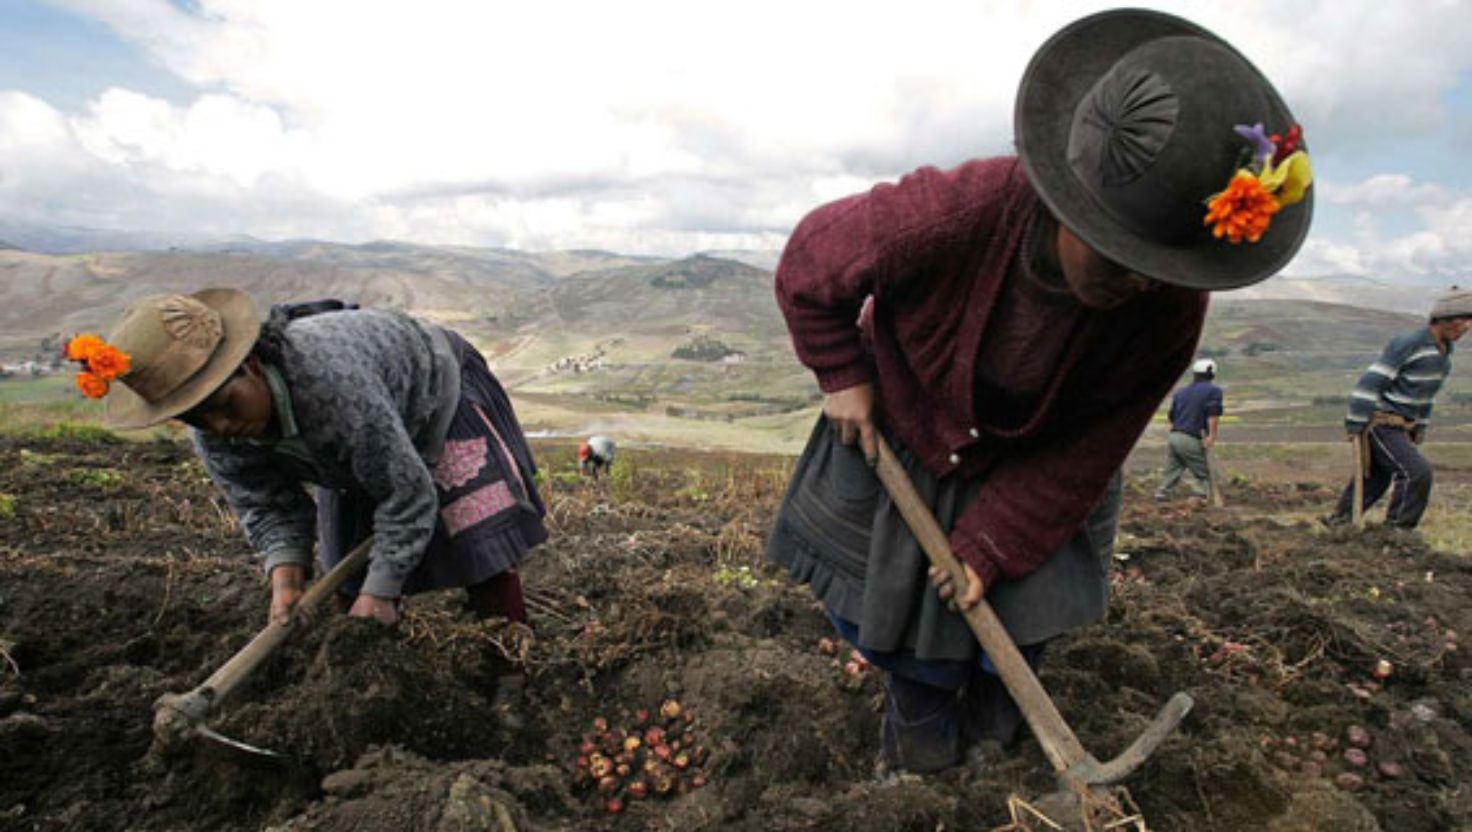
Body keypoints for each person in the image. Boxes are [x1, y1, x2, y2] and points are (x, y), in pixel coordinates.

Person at [766, 9, 1312, 774]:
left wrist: (992, 546)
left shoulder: (1168, 308)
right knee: (917, 646)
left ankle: (1003, 757)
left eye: (1163, 269)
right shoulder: (954, 213)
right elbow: (807, 263)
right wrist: (842, 373)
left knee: (1015, 635)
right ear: (1067, 207)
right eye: (1121, 260)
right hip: (911, 434)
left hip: (1045, 470)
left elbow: (1091, 448)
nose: (1142, 285)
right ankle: (917, 767)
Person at [68, 290, 547, 632]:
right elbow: (269, 506)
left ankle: (508, 665)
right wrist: (286, 578)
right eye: (198, 418)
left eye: (225, 405)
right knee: (348, 577)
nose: (221, 427)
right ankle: (378, 679)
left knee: (476, 546)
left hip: (438, 396)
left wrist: (381, 593)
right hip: (357, 437)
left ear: (251, 366)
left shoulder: (330, 388)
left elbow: (406, 492)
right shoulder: (215, 432)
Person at [1326, 287, 1472, 529]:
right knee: (1417, 473)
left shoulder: (1442, 354)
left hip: (1401, 426)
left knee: (1375, 479)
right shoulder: (1409, 344)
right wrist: (1355, 421)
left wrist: (1419, 427)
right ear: (1444, 319)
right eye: (1464, 319)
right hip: (1381, 424)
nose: (1467, 327)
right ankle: (1396, 531)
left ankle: (1339, 524)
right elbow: (1371, 382)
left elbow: (1426, 396)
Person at [1155, 358, 1224, 501]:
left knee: (1174, 467)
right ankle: (1199, 496)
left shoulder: (1181, 392)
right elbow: (1213, 414)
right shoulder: (1214, 391)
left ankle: (1163, 493)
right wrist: (1211, 436)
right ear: (1212, 374)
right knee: (1203, 471)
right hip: (1191, 436)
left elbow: (1172, 415)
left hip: (1175, 435)